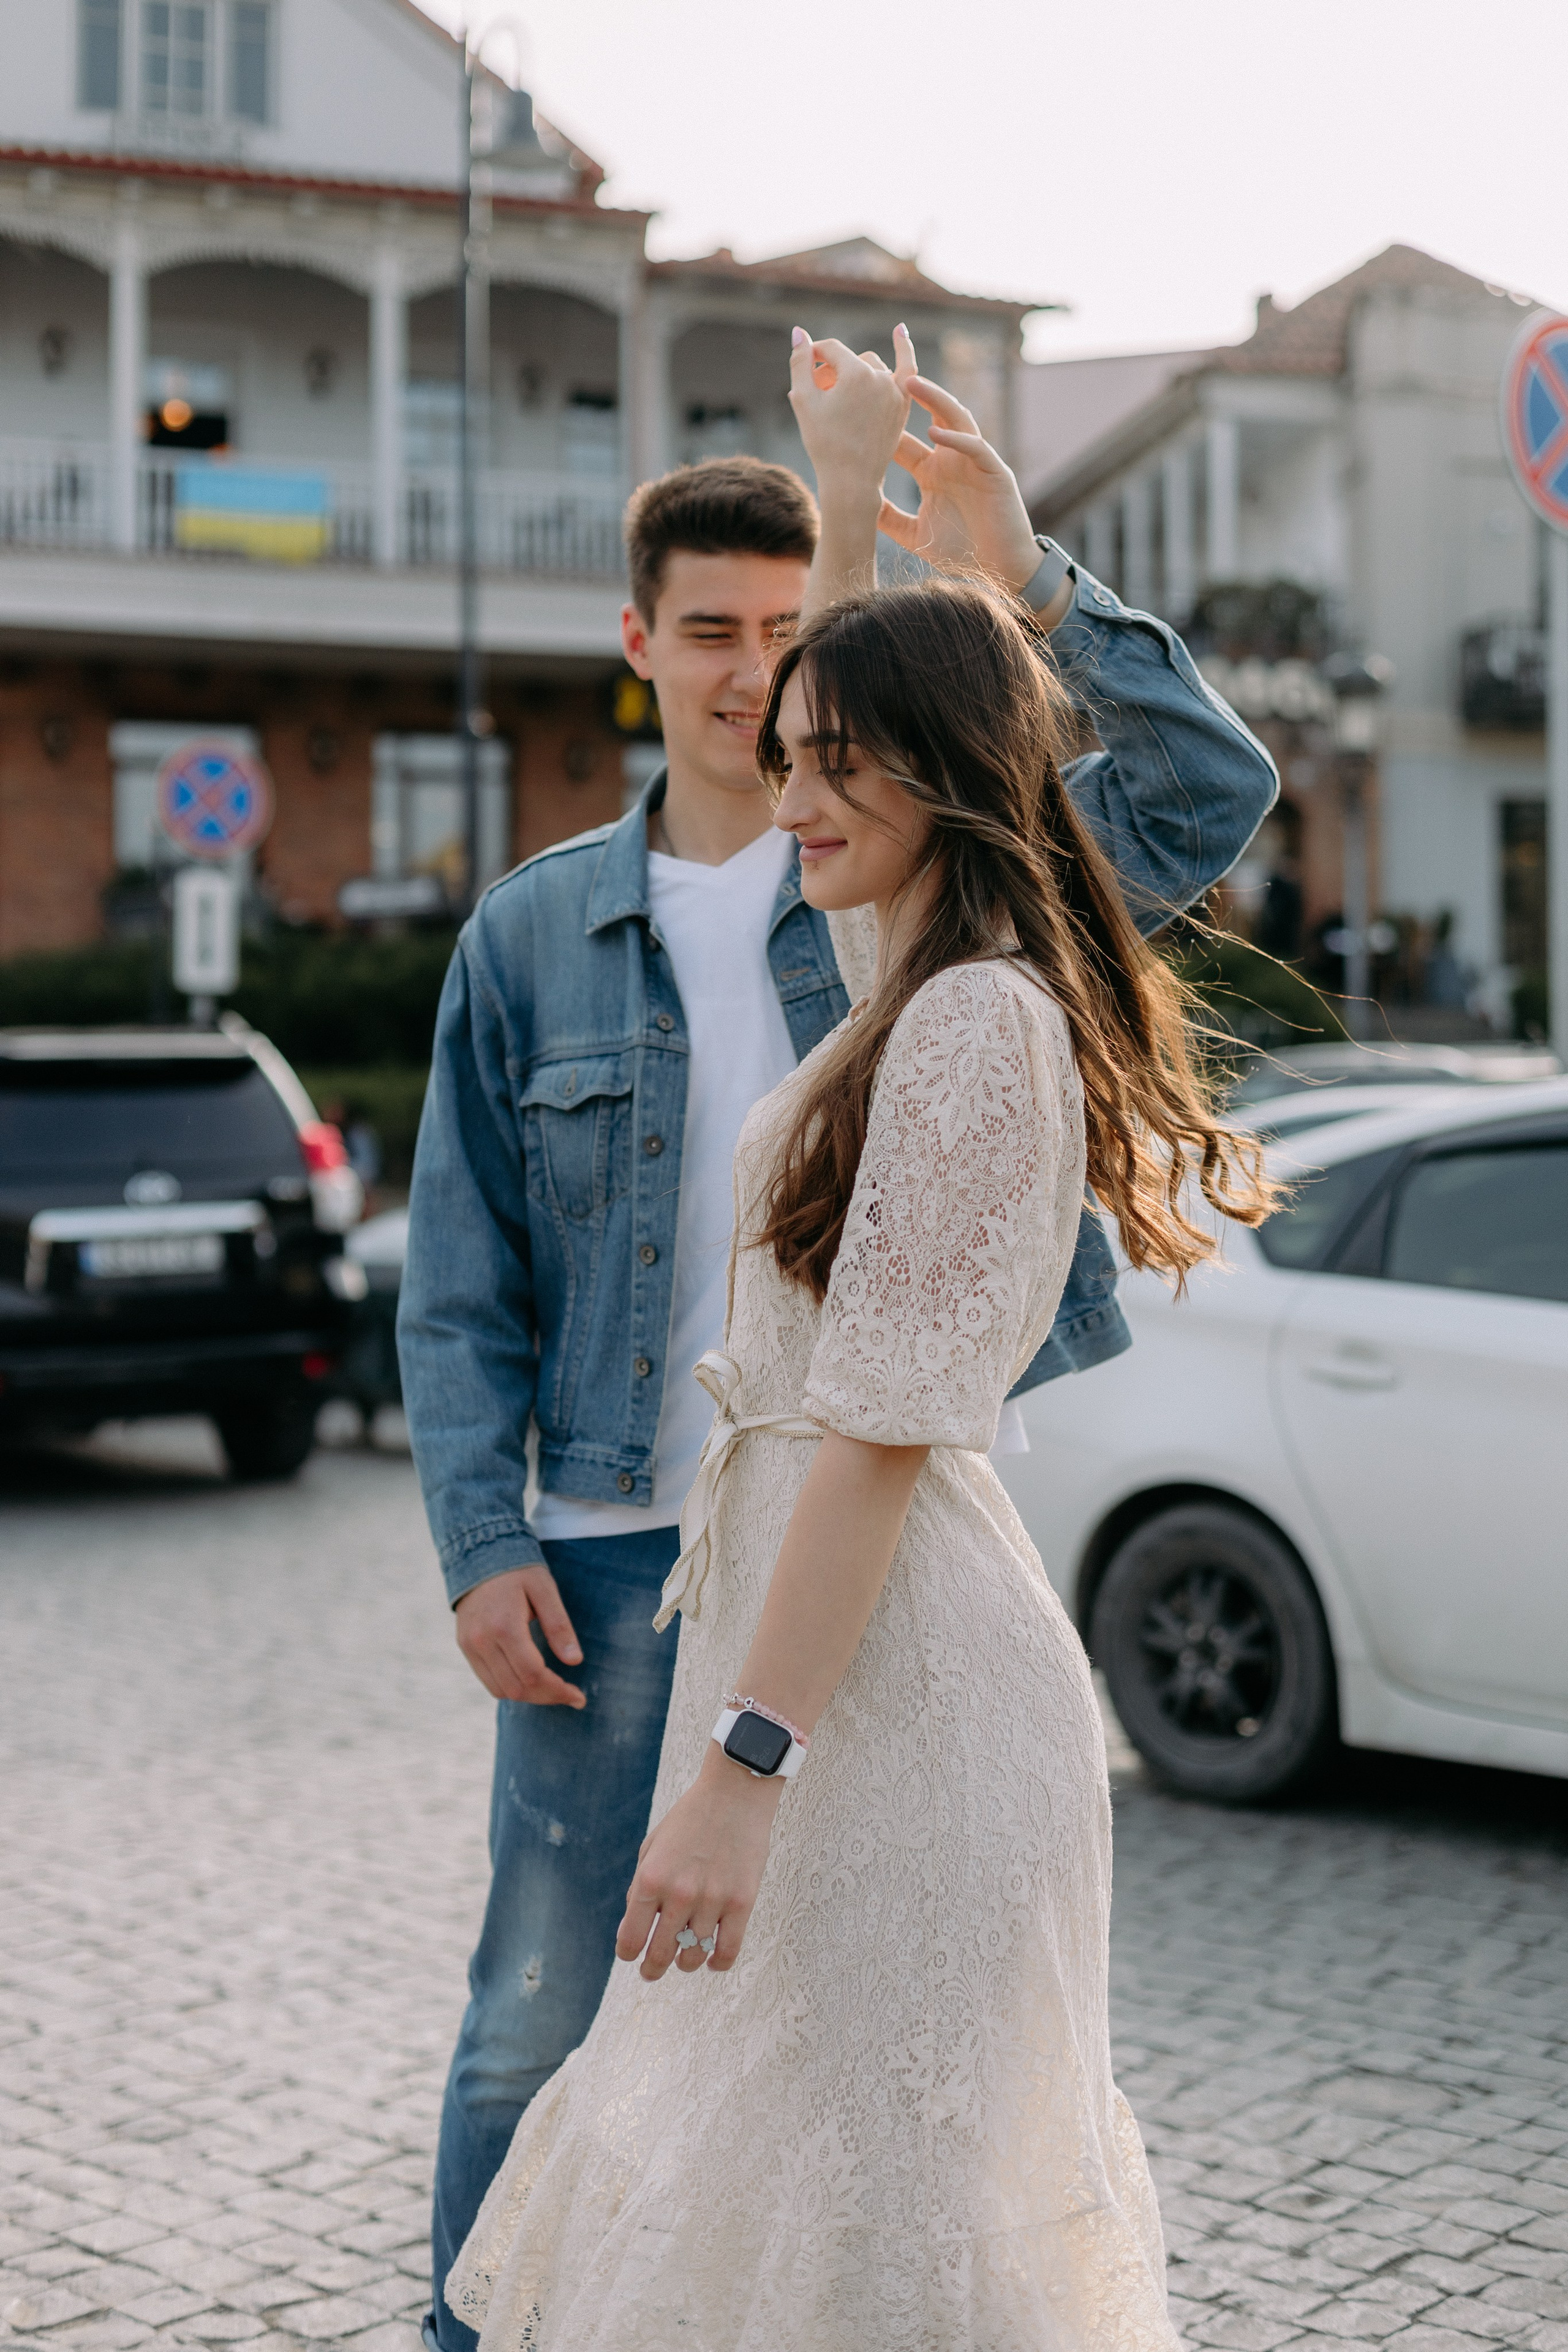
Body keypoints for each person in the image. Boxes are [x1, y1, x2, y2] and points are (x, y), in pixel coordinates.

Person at [398, 329, 1278, 2352]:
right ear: (642, 643)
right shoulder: (554, 925)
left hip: (846, 1616)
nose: (771, 733)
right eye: (722, 652)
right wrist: (475, 1534)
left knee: (809, 2151)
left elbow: (1171, 787)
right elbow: (457, 1269)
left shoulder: (928, 951)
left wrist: (1007, 564)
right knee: (577, 2047)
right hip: (636, 1545)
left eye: (807, 673)